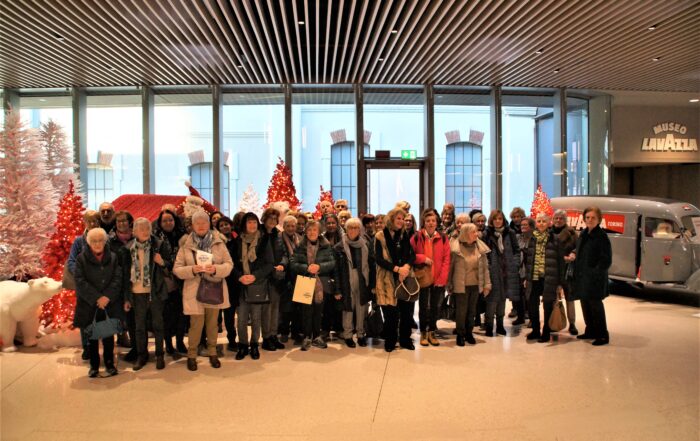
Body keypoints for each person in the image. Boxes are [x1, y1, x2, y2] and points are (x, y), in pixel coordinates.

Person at [173, 210, 233, 371]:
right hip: (194, 290)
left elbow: (229, 265)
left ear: (209, 224)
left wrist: (216, 269)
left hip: (214, 288)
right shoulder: (185, 245)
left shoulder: (219, 243)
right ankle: (192, 355)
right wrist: (192, 269)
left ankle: (212, 352)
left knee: (213, 324)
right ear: (192, 225)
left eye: (204, 222)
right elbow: (177, 269)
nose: (201, 226)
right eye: (197, 223)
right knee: (195, 325)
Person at [121, 218, 172, 371]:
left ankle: (159, 354)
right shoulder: (128, 248)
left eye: (147, 228)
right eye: (141, 228)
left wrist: (162, 262)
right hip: (137, 293)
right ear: (134, 232)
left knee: (158, 325)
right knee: (140, 327)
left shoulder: (159, 245)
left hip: (155, 292)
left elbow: (170, 265)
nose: (145, 231)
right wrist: (127, 298)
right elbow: (125, 275)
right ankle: (141, 355)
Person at [73, 228, 123, 378]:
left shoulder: (113, 257)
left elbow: (117, 278)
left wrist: (107, 297)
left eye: (100, 240)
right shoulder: (81, 258)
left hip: (108, 303)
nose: (97, 244)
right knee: (92, 337)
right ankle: (94, 366)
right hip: (90, 304)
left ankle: (109, 363)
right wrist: (97, 298)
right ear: (89, 243)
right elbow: (79, 281)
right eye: (94, 241)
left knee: (108, 336)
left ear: (105, 241)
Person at [230, 212, 274, 360]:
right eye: (249, 222)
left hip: (257, 284)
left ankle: (254, 344)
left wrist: (255, 276)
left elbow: (270, 264)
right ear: (244, 224)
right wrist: (240, 277)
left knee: (256, 318)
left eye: (254, 222)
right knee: (241, 318)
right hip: (241, 285)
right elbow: (231, 264)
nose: (252, 225)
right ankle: (243, 345)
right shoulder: (237, 241)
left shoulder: (264, 240)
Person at [569, 206, 612, 346]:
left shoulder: (602, 236)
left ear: (599, 219)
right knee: (585, 305)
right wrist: (574, 253)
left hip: (594, 279)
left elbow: (606, 259)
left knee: (596, 306)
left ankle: (602, 335)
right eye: (587, 217)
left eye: (593, 217)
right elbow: (580, 249)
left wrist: (595, 273)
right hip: (582, 277)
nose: (590, 220)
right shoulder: (584, 233)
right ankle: (590, 330)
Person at [374, 207, 416, 352]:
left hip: (405, 277)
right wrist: (397, 269)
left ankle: (405, 340)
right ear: (391, 219)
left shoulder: (404, 234)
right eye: (398, 218)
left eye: (403, 219)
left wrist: (406, 266)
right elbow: (379, 259)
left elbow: (412, 255)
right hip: (387, 279)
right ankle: (390, 341)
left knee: (406, 312)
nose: (401, 221)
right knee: (390, 314)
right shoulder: (380, 236)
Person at [290, 220, 336, 351]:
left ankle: (316, 336)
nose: (312, 232)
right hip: (305, 280)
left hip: (321, 282)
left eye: (314, 230)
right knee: (306, 311)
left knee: (318, 311)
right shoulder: (300, 245)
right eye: (309, 230)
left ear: (319, 231)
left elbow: (332, 262)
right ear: (305, 231)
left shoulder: (326, 245)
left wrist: (319, 267)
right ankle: (306, 337)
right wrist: (307, 268)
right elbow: (293, 262)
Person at [411, 208, 450, 347]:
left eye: (433, 220)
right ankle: (423, 332)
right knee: (423, 306)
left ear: (436, 222)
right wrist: (422, 258)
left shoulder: (443, 237)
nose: (431, 223)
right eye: (428, 221)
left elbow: (446, 259)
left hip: (438, 278)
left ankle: (432, 331)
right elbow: (409, 255)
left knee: (435, 307)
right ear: (424, 222)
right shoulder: (417, 237)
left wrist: (442, 278)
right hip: (423, 278)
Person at [523, 213, 565, 343]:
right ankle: (535, 330)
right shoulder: (532, 238)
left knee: (548, 305)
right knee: (532, 304)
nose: (541, 223)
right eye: (539, 221)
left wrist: (560, 283)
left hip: (549, 277)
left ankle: (546, 331)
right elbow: (528, 260)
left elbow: (560, 262)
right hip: (534, 277)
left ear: (549, 223)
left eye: (544, 221)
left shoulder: (555, 239)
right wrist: (526, 277)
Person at [447, 223, 491, 346]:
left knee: (472, 311)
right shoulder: (456, 248)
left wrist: (487, 284)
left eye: (476, 231)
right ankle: (460, 334)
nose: (477, 234)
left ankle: (469, 333)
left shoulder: (479, 247)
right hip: (461, 285)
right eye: (473, 232)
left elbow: (485, 268)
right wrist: (449, 284)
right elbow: (450, 268)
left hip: (475, 285)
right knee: (461, 312)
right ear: (466, 233)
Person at [334, 218, 375, 347]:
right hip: (346, 279)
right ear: (346, 229)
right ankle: (348, 335)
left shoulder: (365, 244)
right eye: (350, 227)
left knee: (362, 307)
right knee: (348, 308)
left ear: (359, 230)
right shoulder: (339, 247)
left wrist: (372, 284)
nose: (353, 230)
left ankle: (361, 334)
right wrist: (337, 289)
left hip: (362, 278)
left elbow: (371, 265)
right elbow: (336, 271)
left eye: (356, 228)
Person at [67, 209, 101, 361]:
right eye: (89, 221)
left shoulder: (103, 239)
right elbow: (71, 261)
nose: (92, 223)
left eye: (95, 221)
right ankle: (86, 347)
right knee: (85, 317)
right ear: (84, 222)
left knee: (101, 317)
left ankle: (100, 346)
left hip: (100, 286)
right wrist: (81, 275)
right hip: (84, 286)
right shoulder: (79, 241)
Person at [154, 209, 188, 355]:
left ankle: (180, 341)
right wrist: (166, 265)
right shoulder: (156, 238)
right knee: (167, 315)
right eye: (164, 221)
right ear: (160, 223)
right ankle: (168, 344)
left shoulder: (183, 236)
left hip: (183, 279)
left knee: (182, 314)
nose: (168, 223)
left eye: (170, 220)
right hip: (166, 280)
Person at [482, 210, 521, 337]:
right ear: (491, 220)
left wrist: (515, 263)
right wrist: (488, 266)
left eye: (500, 218)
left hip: (506, 271)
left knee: (502, 300)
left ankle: (500, 325)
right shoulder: (487, 234)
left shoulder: (510, 233)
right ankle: (489, 326)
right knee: (491, 300)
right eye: (495, 219)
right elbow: (483, 252)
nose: (498, 221)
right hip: (492, 271)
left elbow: (516, 250)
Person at [108, 210, 136, 360]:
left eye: (124, 220)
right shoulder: (110, 242)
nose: (121, 224)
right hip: (117, 284)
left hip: (134, 283)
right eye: (118, 221)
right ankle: (120, 338)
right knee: (118, 315)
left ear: (130, 222)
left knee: (133, 317)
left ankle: (135, 346)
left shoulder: (137, 238)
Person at [260, 208, 287, 351]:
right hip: (264, 277)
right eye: (270, 218)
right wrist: (268, 268)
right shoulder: (259, 233)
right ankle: (266, 338)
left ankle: (273, 335)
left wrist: (282, 264)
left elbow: (284, 254)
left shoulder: (278, 234)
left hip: (277, 277)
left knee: (275, 308)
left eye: (275, 218)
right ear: (264, 219)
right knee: (266, 309)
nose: (272, 221)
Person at [552, 209, 579, 335]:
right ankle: (553, 322)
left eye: (561, 218)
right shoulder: (548, 232)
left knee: (569, 297)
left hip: (567, 270)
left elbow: (578, 247)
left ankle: (572, 323)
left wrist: (573, 254)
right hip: (552, 269)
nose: (558, 220)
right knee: (552, 297)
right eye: (556, 218)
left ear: (565, 220)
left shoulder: (572, 233)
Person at [278, 215, 302, 344]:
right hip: (285, 276)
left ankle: (296, 332)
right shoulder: (279, 238)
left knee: (298, 307)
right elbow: (281, 256)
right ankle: (284, 332)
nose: (291, 228)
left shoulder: (300, 238)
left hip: (298, 276)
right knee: (286, 308)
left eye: (293, 226)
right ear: (284, 226)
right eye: (288, 226)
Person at [512, 217, 535, 325]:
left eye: (525, 225)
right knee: (519, 295)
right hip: (518, 270)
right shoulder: (518, 237)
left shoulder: (535, 238)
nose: (523, 227)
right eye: (522, 225)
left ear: (531, 226)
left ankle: (532, 319)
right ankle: (520, 317)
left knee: (530, 296)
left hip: (531, 270)